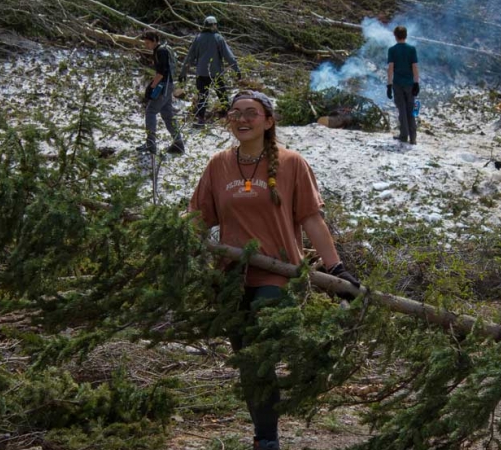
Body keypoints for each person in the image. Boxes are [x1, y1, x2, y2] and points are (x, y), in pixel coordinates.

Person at [188, 91, 359, 450]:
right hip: (231, 280)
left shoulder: (291, 163)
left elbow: (311, 219)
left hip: (279, 275)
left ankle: (277, 427)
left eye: (251, 113)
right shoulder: (218, 164)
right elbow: (197, 221)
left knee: (261, 347)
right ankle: (265, 438)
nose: (242, 119)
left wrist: (337, 269)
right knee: (250, 363)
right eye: (235, 113)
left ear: (268, 121)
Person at [179, 16, 242, 127]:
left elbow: (189, 57)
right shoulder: (218, 38)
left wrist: (183, 72)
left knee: (202, 97)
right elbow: (229, 56)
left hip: (201, 73)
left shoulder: (198, 38)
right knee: (222, 96)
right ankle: (230, 119)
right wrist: (236, 69)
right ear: (214, 25)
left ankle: (200, 120)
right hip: (215, 73)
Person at [137, 30, 185, 155]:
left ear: (154, 41)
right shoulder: (162, 49)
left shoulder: (160, 51)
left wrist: (151, 87)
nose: (146, 46)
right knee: (167, 114)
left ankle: (150, 143)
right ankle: (178, 143)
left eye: (148, 43)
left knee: (151, 111)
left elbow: (161, 72)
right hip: (168, 85)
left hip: (163, 86)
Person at [386, 25, 420, 145]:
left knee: (402, 110)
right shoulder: (412, 49)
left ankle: (404, 135)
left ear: (395, 36)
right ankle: (413, 137)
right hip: (410, 84)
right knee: (410, 110)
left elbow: (390, 69)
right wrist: (416, 83)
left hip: (398, 84)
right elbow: (415, 67)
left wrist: (389, 85)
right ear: (405, 35)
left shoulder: (392, 50)